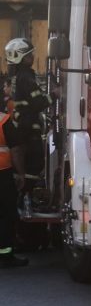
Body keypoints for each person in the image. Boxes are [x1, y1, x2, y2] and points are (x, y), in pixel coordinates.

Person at [4, 38, 56, 198]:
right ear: (21, 57)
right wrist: (55, 95)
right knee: (35, 163)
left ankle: (23, 198)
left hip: (22, 126)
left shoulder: (17, 76)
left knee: (27, 164)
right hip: (28, 128)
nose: (32, 57)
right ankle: (26, 197)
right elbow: (37, 103)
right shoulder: (26, 78)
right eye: (29, 55)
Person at [0, 107, 28, 268]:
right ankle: (5, 255)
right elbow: (16, 150)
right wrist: (21, 173)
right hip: (2, 174)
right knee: (6, 214)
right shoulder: (4, 120)